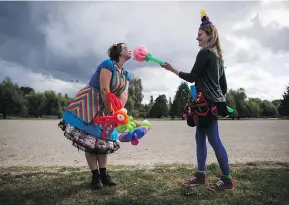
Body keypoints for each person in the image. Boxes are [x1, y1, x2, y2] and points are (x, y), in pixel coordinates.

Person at [160, 10, 233, 191]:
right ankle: (200, 175)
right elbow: (223, 85)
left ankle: (227, 179)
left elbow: (192, 77)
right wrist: (219, 102)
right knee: (200, 137)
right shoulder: (219, 58)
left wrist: (172, 69)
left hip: (204, 103)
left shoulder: (205, 54)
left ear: (209, 36)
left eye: (199, 35)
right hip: (212, 103)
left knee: (214, 140)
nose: (197, 38)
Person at [58, 43, 131, 190]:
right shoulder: (108, 64)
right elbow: (104, 90)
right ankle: (95, 177)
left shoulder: (125, 73)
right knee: (90, 141)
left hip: (107, 107)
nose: (130, 49)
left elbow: (124, 94)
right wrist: (111, 111)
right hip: (90, 104)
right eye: (126, 47)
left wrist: (118, 112)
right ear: (119, 52)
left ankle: (104, 175)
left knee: (103, 141)